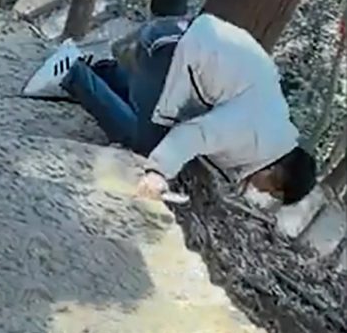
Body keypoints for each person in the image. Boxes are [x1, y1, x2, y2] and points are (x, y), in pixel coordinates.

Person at [50, 13, 317, 205]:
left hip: (180, 45)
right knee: (143, 145)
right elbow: (196, 133)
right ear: (276, 173)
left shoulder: (271, 127)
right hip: (172, 49)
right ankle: (71, 72)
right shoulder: (256, 135)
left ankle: (99, 71)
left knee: (153, 127)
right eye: (270, 191)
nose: (260, 192)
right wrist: (158, 172)